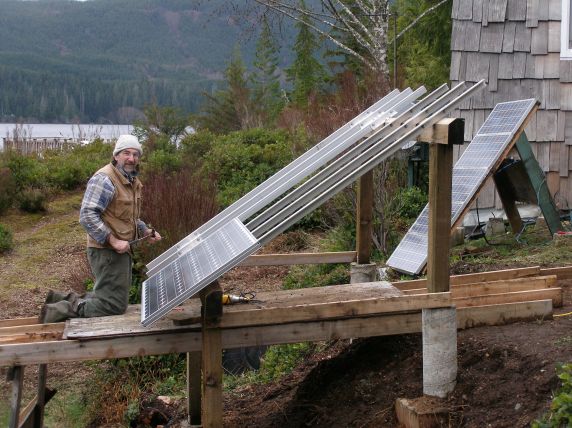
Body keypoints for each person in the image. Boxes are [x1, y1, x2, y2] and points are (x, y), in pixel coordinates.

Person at [39, 135, 161, 323]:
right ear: (116, 156)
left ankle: (60, 299)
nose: (131, 158)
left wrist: (145, 230)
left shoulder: (131, 180)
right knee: (112, 305)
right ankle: (57, 310)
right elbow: (87, 216)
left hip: (119, 250)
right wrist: (113, 241)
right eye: (126, 153)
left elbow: (129, 217)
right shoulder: (105, 179)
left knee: (111, 298)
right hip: (106, 250)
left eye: (135, 154)